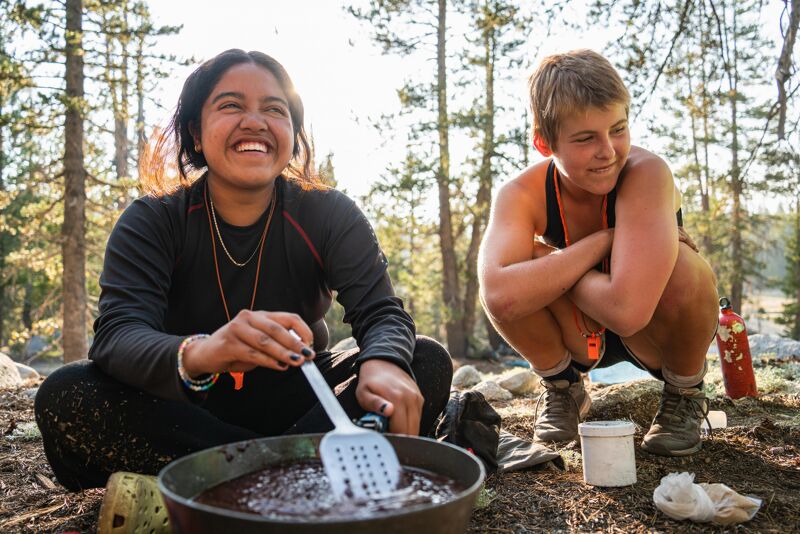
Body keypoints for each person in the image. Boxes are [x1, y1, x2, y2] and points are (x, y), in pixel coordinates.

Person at [34, 49, 453, 495]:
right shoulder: (153, 219)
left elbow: (382, 312)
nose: (255, 122)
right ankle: (295, 479)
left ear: (292, 133)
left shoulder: (329, 214)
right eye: (231, 105)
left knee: (423, 360)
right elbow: (118, 335)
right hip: (184, 407)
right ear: (196, 130)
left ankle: (222, 483)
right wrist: (203, 352)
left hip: (298, 400)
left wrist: (384, 361)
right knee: (67, 393)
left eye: (275, 109)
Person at [478, 49, 718, 457]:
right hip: (576, 332)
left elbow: (628, 312)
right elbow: (499, 296)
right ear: (543, 142)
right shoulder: (521, 193)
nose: (608, 150)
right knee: (513, 279)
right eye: (586, 138)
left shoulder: (647, 172)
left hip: (652, 330)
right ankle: (563, 386)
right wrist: (604, 240)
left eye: (618, 129)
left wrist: (548, 264)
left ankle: (684, 392)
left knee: (684, 270)